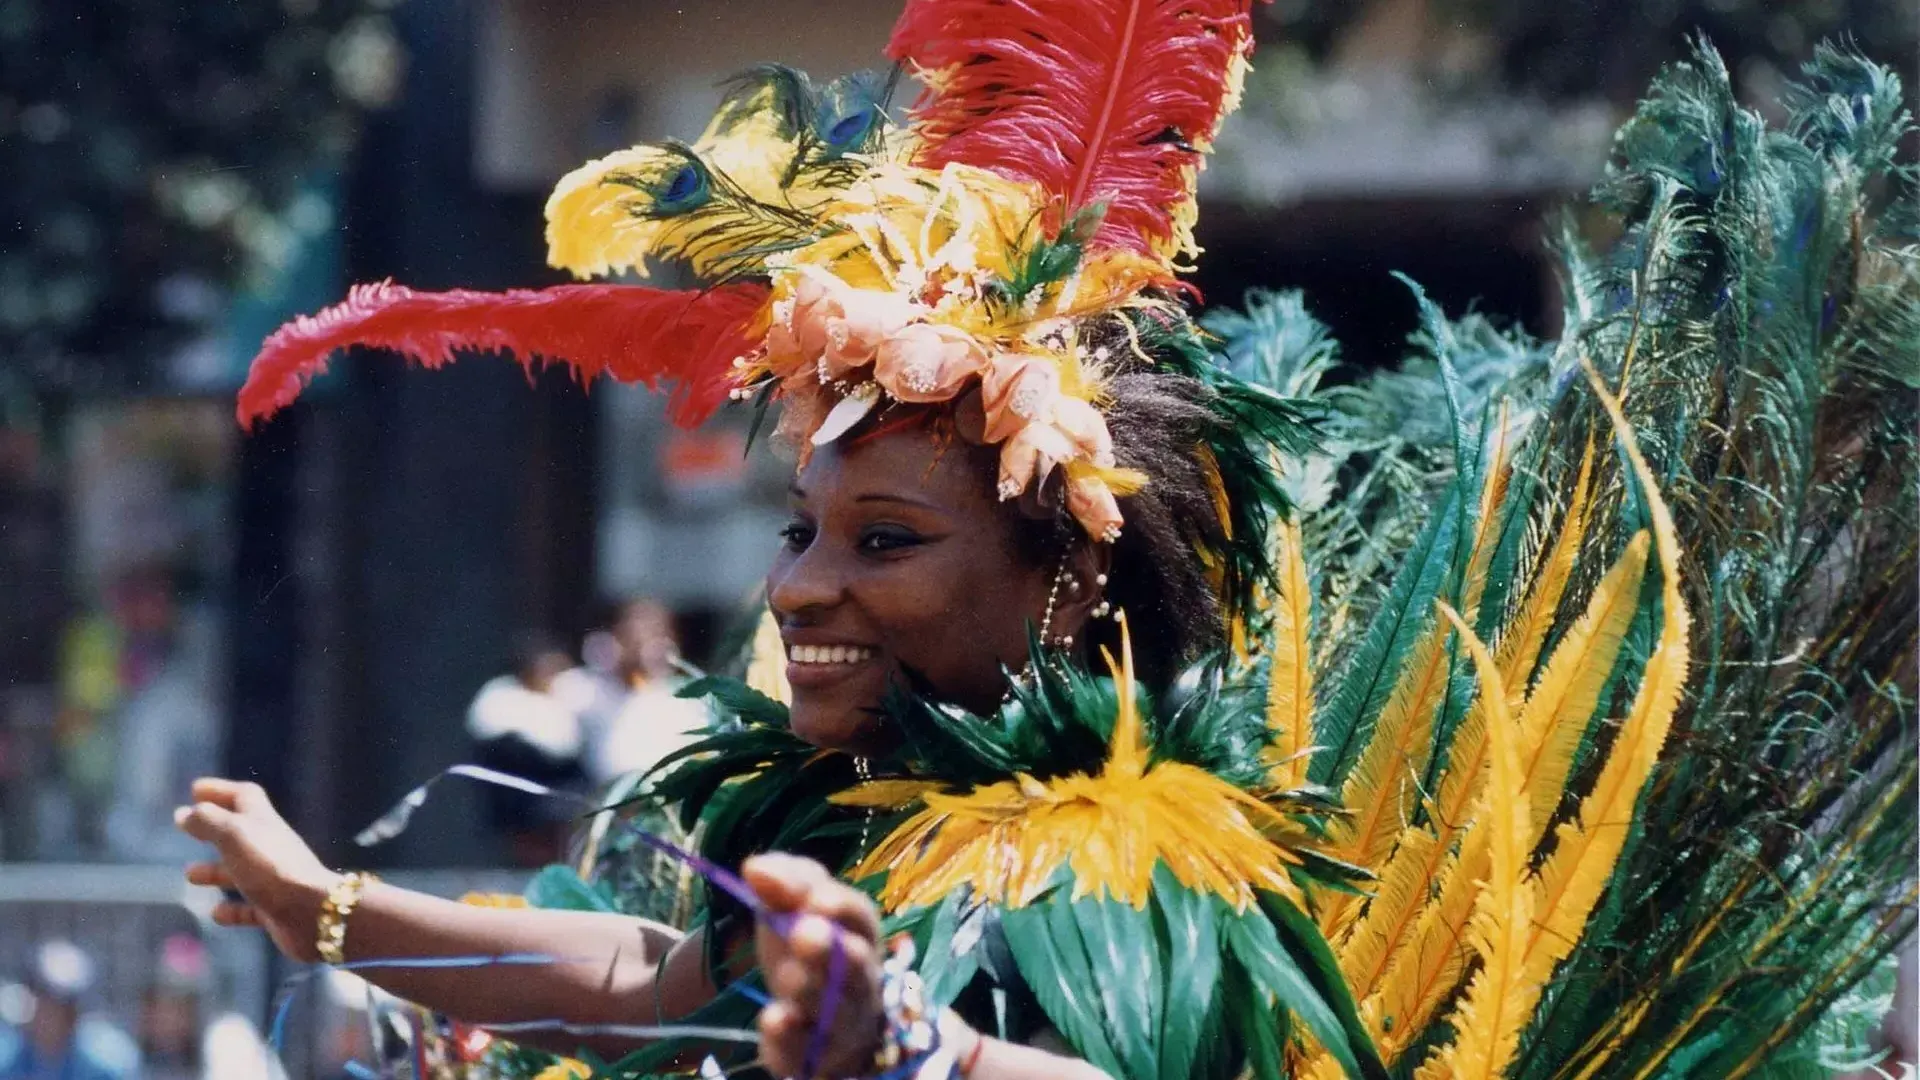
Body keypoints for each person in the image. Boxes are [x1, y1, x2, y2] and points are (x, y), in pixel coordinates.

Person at [182, 5, 1917, 1079]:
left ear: (1067, 576)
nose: (798, 587)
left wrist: (913, 1050)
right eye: (802, 526)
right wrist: (329, 910)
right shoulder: (875, 821)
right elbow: (653, 978)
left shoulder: (1129, 849)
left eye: (884, 539)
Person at [0, 942, 139, 1080]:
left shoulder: (106, 1063)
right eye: (42, 999)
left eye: (60, 1006)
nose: (48, 1015)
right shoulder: (7, 1059)